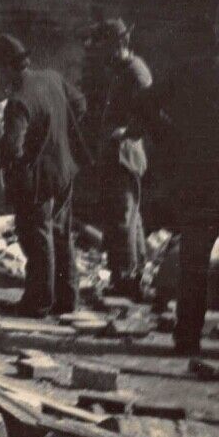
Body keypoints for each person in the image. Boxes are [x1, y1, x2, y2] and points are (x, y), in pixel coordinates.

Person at [140, 0, 219, 359]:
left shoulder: (186, 70)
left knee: (193, 259)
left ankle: (187, 337)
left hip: (198, 180)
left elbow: (145, 104)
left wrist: (171, 138)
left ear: (216, 32)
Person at [0, 34, 87, 317]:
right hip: (65, 170)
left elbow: (12, 147)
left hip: (37, 180)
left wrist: (7, 160)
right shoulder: (52, 77)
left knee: (38, 237)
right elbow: (79, 104)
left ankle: (38, 301)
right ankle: (67, 298)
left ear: (5, 67)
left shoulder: (18, 101)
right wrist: (55, 132)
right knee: (60, 233)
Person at [80, 19, 152, 301]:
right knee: (126, 217)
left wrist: (128, 131)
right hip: (114, 152)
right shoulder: (118, 70)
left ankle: (127, 280)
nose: (100, 52)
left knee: (124, 216)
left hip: (126, 153)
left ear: (119, 43)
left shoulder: (136, 70)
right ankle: (131, 274)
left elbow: (150, 108)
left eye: (104, 46)